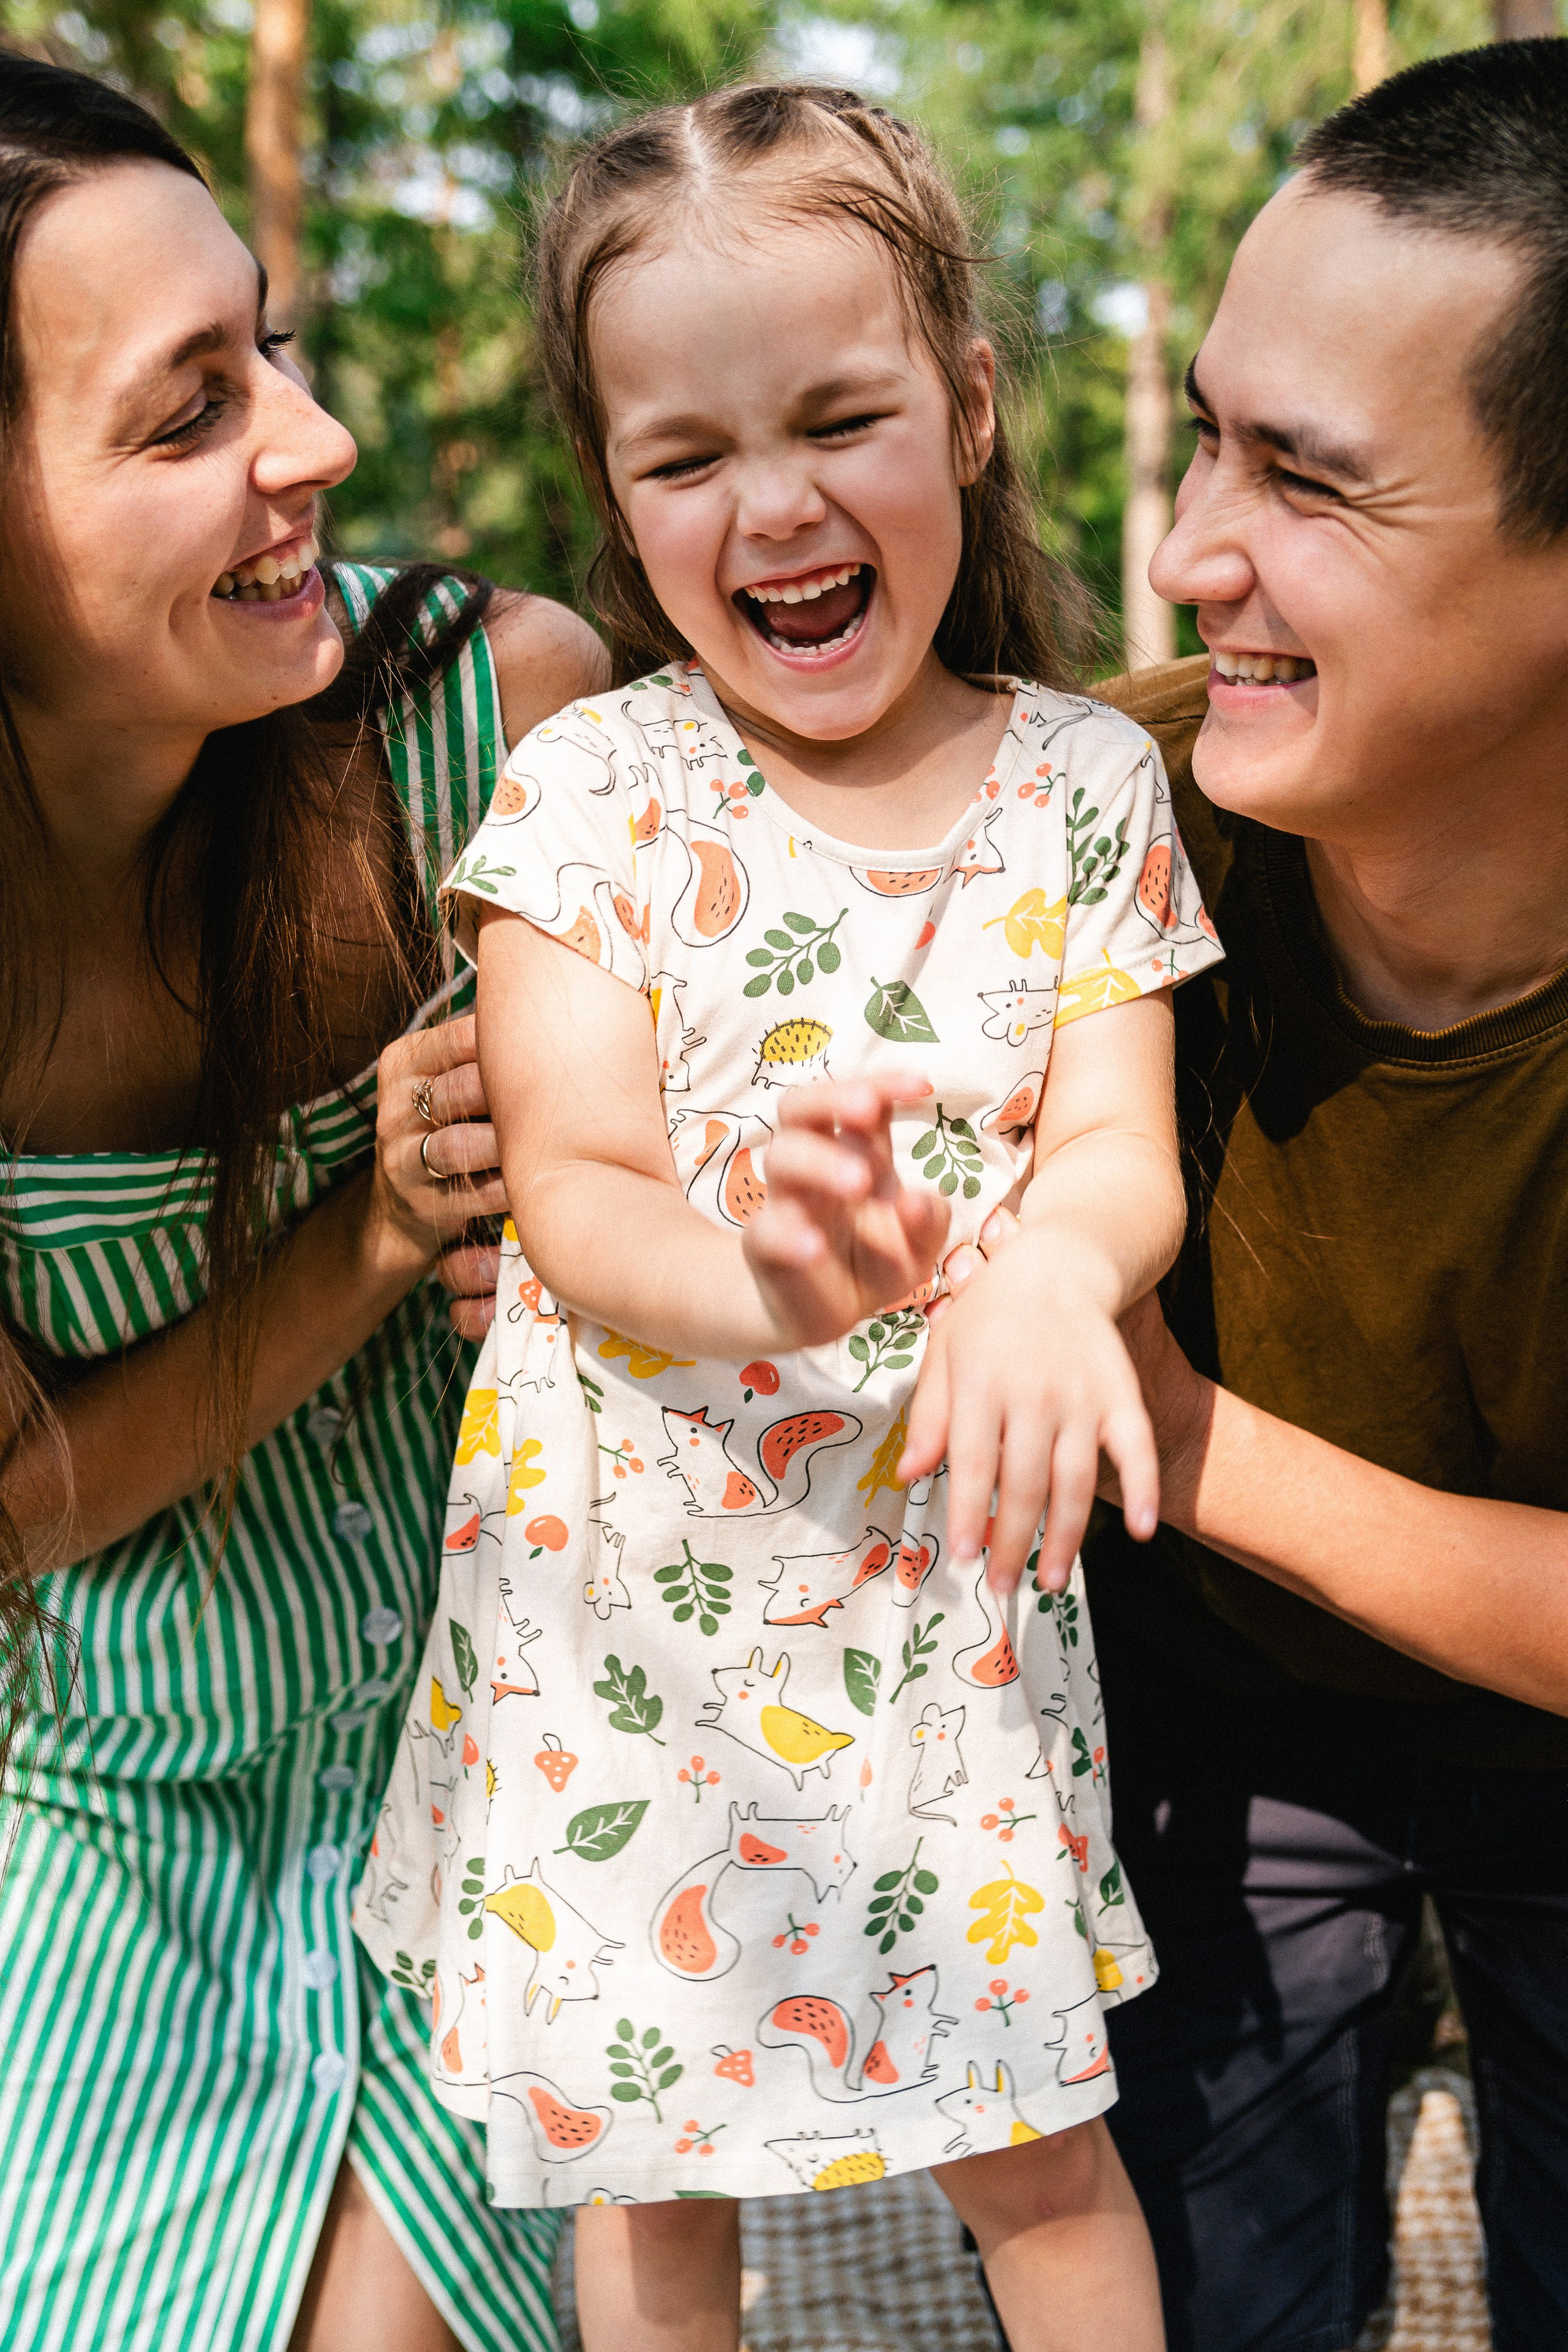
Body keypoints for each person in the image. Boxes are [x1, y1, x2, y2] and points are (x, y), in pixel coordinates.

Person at [355, 81, 1226, 2352]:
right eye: (687, 456)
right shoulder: (595, 794)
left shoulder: (1078, 784)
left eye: (842, 417)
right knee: (655, 2194)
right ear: (619, 490)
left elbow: (1124, 1144)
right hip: (625, 1622)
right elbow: (575, 1183)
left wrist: (1045, 1261)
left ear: (962, 405)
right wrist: (772, 1278)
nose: (778, 505)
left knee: (1035, 2149)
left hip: (932, 1604)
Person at [0, 57, 609, 2352]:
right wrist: (368, 1234)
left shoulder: (489, 724)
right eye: (187, 416)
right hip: (92, 1819)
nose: (314, 437)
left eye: (265, 343)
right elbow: (16, 1508)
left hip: (501, 1776)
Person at [1065, 39, 1568, 2352]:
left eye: (1310, 481)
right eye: (1206, 432)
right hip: (1206, 1733)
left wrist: (1178, 1434)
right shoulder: (1092, 824)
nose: (1187, 550)